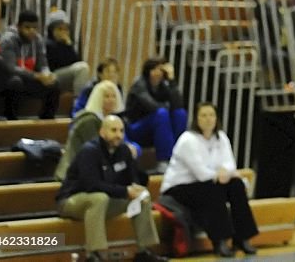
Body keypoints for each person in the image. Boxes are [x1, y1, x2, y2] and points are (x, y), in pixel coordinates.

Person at [56, 115, 165, 262]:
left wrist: (136, 187)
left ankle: (143, 251)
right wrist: (125, 191)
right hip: (71, 201)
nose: (118, 135)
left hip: (104, 203)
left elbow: (133, 178)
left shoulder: (124, 151)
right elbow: (92, 185)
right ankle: (94, 254)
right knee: (99, 198)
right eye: (114, 130)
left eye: (121, 131)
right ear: (102, 132)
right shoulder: (89, 151)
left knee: (142, 197)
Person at [161, 102, 258, 257]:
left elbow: (230, 164)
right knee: (213, 189)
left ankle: (242, 238)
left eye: (211, 115)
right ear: (196, 119)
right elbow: (200, 173)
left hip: (208, 183)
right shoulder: (187, 140)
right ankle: (220, 241)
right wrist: (220, 175)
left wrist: (226, 173)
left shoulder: (221, 137)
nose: (208, 119)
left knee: (237, 185)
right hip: (179, 188)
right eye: (203, 115)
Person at [55, 81, 135, 181]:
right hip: (74, 175)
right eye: (106, 96)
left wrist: (132, 149)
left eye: (114, 96)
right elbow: (98, 152)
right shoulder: (89, 121)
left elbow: (124, 143)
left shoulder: (113, 120)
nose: (111, 100)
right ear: (98, 98)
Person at [125, 58, 187, 173]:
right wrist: (167, 106)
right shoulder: (139, 84)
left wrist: (172, 81)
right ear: (148, 71)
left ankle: (178, 157)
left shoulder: (164, 85)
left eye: (160, 70)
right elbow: (152, 106)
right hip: (136, 129)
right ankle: (164, 160)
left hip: (158, 129)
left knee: (180, 114)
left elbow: (178, 105)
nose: (157, 73)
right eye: (154, 69)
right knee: (162, 114)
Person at [0, 10, 61, 120]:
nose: (31, 31)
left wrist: (47, 75)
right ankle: (10, 119)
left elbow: (43, 64)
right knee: (15, 81)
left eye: (35, 27)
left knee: (54, 83)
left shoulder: (37, 39)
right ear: (18, 27)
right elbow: (10, 68)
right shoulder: (8, 40)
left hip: (29, 79)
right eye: (27, 27)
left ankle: (46, 119)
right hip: (9, 80)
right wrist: (36, 76)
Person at [44, 10, 91, 94]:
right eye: (60, 29)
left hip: (64, 76)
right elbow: (59, 63)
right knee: (82, 68)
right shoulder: (47, 44)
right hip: (51, 75)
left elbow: (76, 62)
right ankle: (79, 103)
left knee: (84, 70)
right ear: (52, 30)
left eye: (66, 29)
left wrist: (69, 45)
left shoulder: (66, 44)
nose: (63, 32)